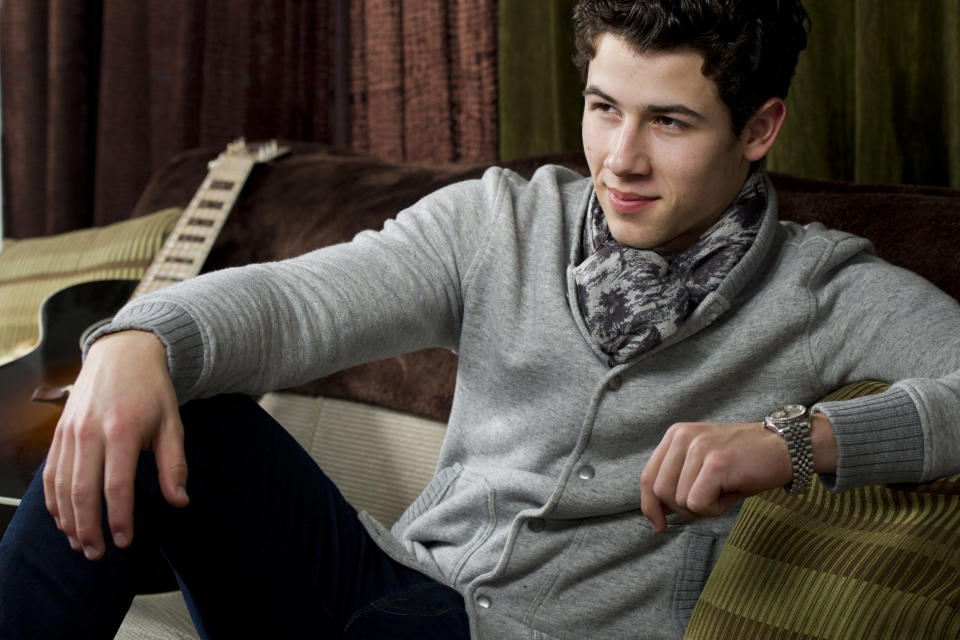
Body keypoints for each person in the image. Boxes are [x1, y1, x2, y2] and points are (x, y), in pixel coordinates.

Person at [3, 0, 960, 638]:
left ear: (759, 130)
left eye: (668, 122)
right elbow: (297, 299)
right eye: (602, 107)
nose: (619, 158)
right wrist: (141, 340)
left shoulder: (824, 290)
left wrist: (796, 443)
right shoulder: (500, 220)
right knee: (162, 412)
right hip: (386, 591)